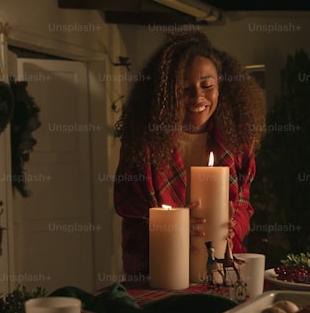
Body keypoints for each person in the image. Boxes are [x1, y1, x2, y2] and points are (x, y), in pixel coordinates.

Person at [113, 31, 266, 279]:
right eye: (185, 88)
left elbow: (245, 204)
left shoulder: (237, 141)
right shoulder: (145, 142)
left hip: (220, 268)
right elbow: (128, 206)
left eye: (207, 86)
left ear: (221, 87)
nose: (198, 97)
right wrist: (175, 227)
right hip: (159, 272)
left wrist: (231, 225)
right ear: (166, 93)